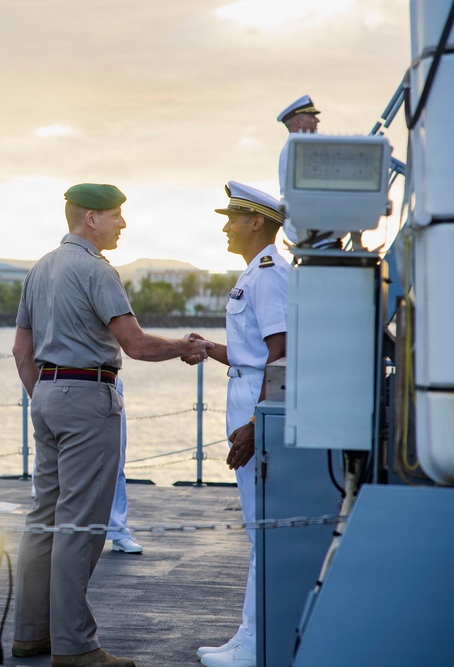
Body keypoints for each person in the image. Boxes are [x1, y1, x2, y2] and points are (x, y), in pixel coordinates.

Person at [11, 183, 211, 667]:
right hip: (86, 397)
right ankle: (75, 646)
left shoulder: (41, 267)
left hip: (47, 394)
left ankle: (31, 635)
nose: (123, 224)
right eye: (117, 216)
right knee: (81, 524)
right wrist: (185, 347)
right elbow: (136, 344)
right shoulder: (97, 270)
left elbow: (22, 349)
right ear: (91, 220)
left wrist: (45, 397)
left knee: (44, 518)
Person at [192, 181, 289, 667]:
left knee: (262, 528)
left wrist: (256, 422)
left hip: (257, 404)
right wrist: (210, 349)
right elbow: (255, 352)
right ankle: (248, 634)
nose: (225, 225)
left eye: (232, 217)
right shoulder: (254, 273)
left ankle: (256, 644)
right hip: (248, 393)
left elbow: (281, 354)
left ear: (257, 222)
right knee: (257, 528)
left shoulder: (268, 274)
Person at [276, 95, 337, 248]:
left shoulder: (300, 146)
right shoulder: (298, 147)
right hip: (312, 231)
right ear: (298, 122)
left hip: (316, 229)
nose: (317, 121)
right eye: (312, 117)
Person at [106, 377, 142, 554]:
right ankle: (59, 533)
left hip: (107, 380)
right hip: (59, 379)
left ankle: (118, 530)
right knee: (61, 463)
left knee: (114, 462)